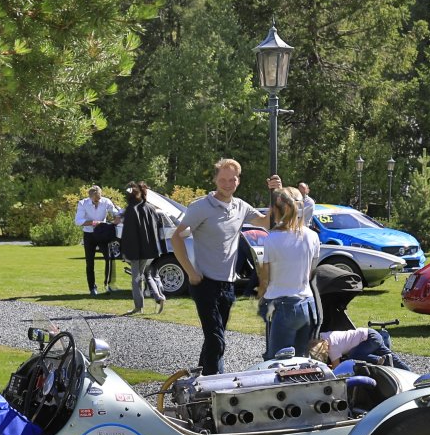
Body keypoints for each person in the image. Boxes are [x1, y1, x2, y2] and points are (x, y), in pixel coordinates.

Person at [171, 158, 268, 375]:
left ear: (238, 180)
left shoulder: (241, 207)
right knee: (216, 341)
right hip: (204, 283)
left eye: (232, 180)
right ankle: (213, 385)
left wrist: (276, 192)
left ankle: (200, 380)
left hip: (228, 285)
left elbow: (267, 222)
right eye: (223, 179)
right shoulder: (200, 207)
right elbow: (177, 237)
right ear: (215, 179)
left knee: (214, 339)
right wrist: (191, 272)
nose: (227, 184)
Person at [258, 186, 320, 359]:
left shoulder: (271, 239)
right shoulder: (312, 236)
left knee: (277, 360)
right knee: (302, 361)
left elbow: (266, 278)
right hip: (307, 304)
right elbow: (311, 272)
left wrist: (261, 295)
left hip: (282, 304)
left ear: (274, 210)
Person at [117, 181, 170, 315]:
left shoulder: (131, 209)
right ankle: (158, 296)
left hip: (135, 250)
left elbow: (128, 233)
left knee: (136, 279)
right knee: (146, 275)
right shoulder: (151, 208)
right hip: (149, 249)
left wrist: (125, 251)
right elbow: (157, 230)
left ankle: (138, 307)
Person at [74, 185, 119, 295]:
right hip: (89, 235)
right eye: (95, 200)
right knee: (90, 263)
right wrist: (94, 222)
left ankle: (108, 285)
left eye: (99, 198)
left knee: (109, 258)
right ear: (90, 197)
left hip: (103, 234)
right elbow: (78, 221)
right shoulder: (82, 203)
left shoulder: (106, 201)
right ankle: (92, 288)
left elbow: (115, 212)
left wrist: (118, 217)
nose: (98, 201)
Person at [309, 326, 409, 369]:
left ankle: (379, 360)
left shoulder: (333, 348)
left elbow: (337, 368)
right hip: (372, 334)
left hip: (369, 338)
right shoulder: (323, 336)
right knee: (393, 358)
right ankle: (408, 371)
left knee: (353, 356)